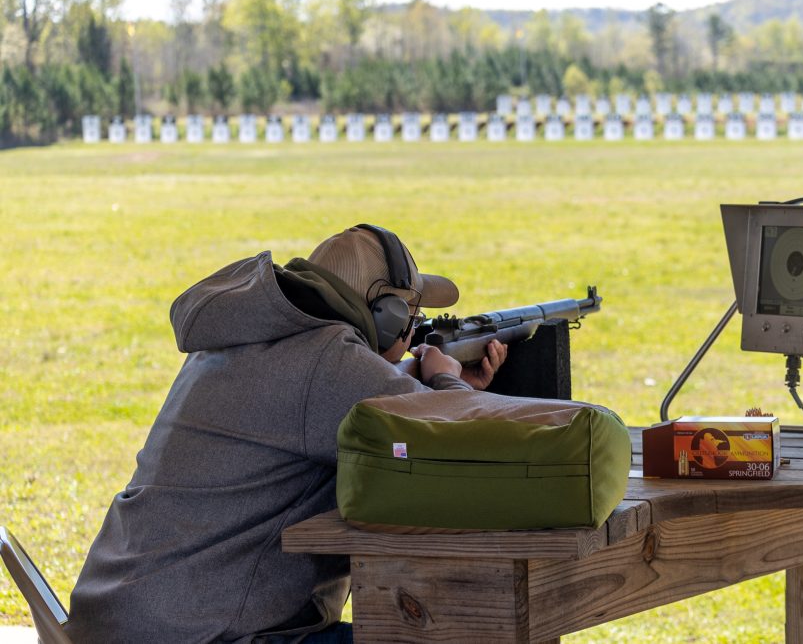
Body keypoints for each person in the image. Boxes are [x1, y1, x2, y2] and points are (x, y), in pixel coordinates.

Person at [65, 225, 508, 643]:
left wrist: (415, 382)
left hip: (118, 616)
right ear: (385, 316)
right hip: (203, 633)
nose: (414, 332)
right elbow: (462, 444)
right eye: (412, 316)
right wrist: (446, 380)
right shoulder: (329, 361)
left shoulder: (234, 340)